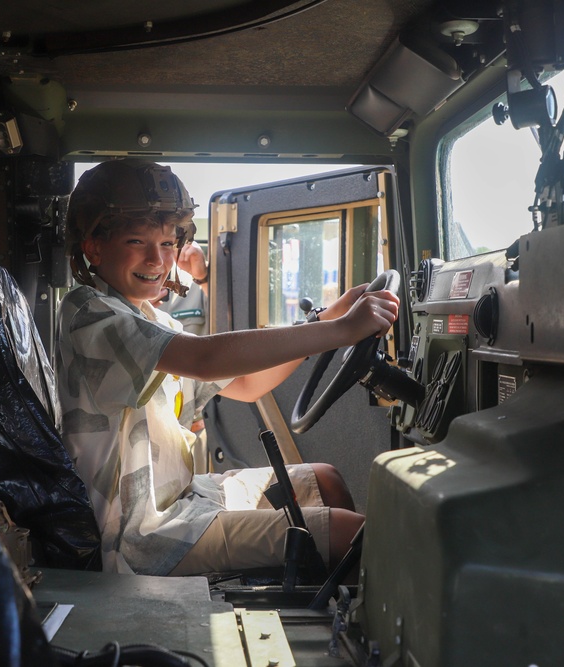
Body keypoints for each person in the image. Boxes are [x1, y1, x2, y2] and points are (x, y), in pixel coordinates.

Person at [56, 158, 399, 576]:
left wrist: (326, 321)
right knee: (353, 535)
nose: (158, 260)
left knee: (324, 480)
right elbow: (205, 359)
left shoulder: (153, 320)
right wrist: (343, 330)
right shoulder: (89, 314)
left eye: (167, 244)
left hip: (186, 499)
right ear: (94, 246)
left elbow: (248, 383)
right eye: (136, 241)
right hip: (140, 538)